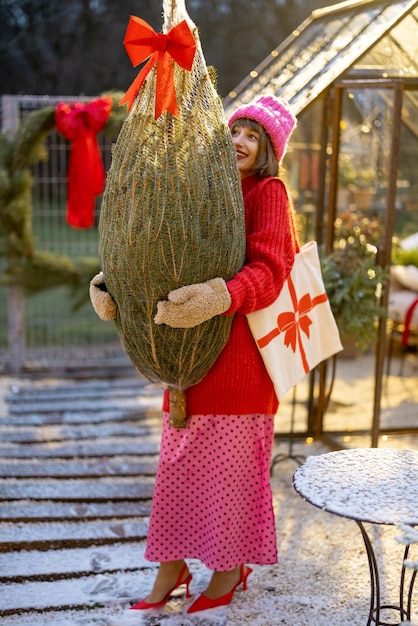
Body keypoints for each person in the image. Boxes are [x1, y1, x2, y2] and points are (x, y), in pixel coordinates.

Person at [128, 94, 300, 614]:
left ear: (269, 150)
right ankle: (172, 566)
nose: (241, 141)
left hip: (240, 363)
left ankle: (228, 570)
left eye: (254, 135)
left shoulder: (268, 192)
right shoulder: (201, 191)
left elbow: (273, 269)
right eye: (235, 131)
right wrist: (118, 285)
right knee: (178, 470)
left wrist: (221, 295)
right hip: (186, 362)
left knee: (228, 478)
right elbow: (162, 250)